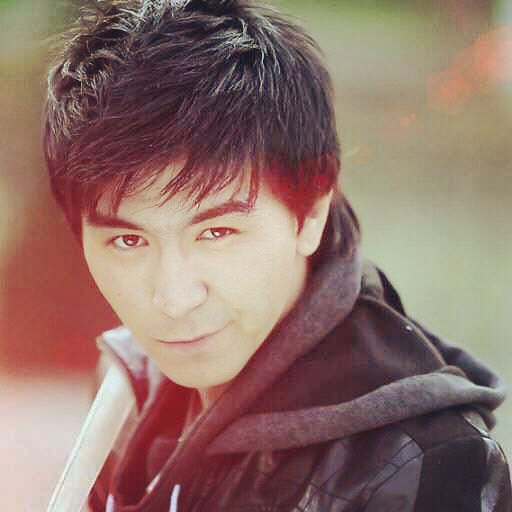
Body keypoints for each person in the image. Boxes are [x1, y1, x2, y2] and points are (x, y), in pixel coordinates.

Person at [43, 0, 511, 510]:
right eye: (129, 241)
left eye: (217, 232)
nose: (173, 300)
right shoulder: (129, 382)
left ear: (310, 212)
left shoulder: (423, 463)